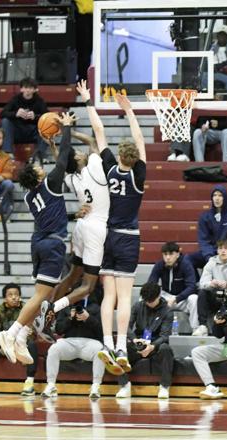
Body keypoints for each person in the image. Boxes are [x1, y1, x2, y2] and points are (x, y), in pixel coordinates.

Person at [0, 113, 75, 366]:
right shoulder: (51, 183)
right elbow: (64, 158)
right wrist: (66, 129)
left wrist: (51, 143)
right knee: (41, 297)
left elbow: (54, 213)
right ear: (38, 176)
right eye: (39, 168)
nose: (42, 167)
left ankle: (22, 336)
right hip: (52, 244)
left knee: (42, 295)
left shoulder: (30, 197)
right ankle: (11, 333)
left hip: (39, 242)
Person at [34, 80, 110, 342]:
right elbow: (93, 140)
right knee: (88, 285)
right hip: (96, 228)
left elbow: (61, 160)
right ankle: (53, 309)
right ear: (78, 159)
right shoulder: (94, 169)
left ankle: (47, 311)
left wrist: (54, 140)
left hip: (80, 228)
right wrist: (70, 131)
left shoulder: (72, 179)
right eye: (77, 153)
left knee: (72, 274)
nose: (80, 153)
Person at [93, 94, 146, 374]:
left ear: (119, 155)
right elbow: (140, 140)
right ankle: (122, 346)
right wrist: (130, 112)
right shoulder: (138, 175)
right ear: (135, 158)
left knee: (108, 296)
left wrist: (88, 101)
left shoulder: (110, 168)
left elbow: (99, 132)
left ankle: (106, 343)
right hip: (128, 237)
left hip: (108, 237)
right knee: (125, 298)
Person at [114, 283, 174, 399]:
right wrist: (134, 339)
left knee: (166, 348)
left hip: (155, 345)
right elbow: (126, 326)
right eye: (146, 301)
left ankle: (164, 386)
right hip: (138, 342)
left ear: (158, 296)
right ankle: (124, 385)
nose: (149, 303)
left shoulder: (167, 311)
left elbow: (165, 336)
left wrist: (152, 346)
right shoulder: (137, 306)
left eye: (151, 301)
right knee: (121, 347)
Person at [42, 293, 105, 400]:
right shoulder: (66, 307)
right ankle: (51, 385)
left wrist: (88, 318)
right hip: (69, 342)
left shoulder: (97, 307)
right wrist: (69, 318)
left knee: (100, 350)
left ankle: (96, 386)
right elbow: (58, 330)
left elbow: (102, 332)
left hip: (90, 342)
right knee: (54, 348)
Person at [0, 283, 38, 397]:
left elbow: (33, 332)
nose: (14, 297)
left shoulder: (27, 309)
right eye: (10, 295)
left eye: (16, 294)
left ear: (20, 296)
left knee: (32, 345)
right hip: (4, 347)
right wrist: (4, 346)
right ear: (5, 298)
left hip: (21, 347)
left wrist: (20, 347)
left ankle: (29, 383)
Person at [193, 239, 227, 337]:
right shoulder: (211, 263)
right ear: (217, 251)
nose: (223, 251)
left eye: (226, 248)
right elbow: (202, 283)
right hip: (215, 295)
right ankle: (202, 326)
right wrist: (211, 283)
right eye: (220, 248)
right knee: (202, 292)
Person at [147, 241, 199, 332]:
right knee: (147, 296)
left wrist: (176, 298)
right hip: (166, 298)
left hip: (182, 299)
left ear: (178, 254)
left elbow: (191, 287)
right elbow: (151, 284)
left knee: (194, 298)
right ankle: (149, 330)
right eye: (165, 254)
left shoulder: (186, 264)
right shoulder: (159, 265)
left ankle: (195, 328)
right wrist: (156, 297)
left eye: (171, 254)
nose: (168, 257)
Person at [187, 185, 227, 271]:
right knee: (188, 259)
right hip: (210, 252)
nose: (217, 198)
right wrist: (209, 257)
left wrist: (222, 253)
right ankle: (196, 279)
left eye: (220, 195)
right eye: (214, 195)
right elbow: (203, 240)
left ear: (225, 198)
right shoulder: (204, 217)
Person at [0, 77, 48, 162]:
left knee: (46, 125)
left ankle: (39, 155)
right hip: (18, 131)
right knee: (5, 121)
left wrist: (35, 116)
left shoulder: (39, 101)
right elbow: (2, 114)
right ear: (21, 89)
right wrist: (16, 114)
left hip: (33, 132)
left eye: (30, 88)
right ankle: (8, 152)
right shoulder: (15, 99)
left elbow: (47, 117)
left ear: (35, 90)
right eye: (25, 87)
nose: (28, 90)